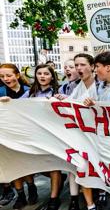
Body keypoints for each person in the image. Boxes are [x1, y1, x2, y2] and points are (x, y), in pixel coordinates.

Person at [55, 54, 98, 210]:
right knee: (78, 166)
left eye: (82, 65)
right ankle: (86, 203)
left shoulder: (100, 85)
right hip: (80, 136)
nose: (79, 68)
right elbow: (71, 104)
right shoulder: (78, 86)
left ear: (92, 67)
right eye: (76, 65)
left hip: (97, 137)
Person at [82, 51, 110, 210]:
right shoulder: (97, 86)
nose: (95, 70)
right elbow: (80, 101)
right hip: (96, 137)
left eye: (97, 66)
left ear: (108, 68)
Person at [19, 64, 65, 210]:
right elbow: (16, 105)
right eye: (39, 73)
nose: (42, 76)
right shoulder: (31, 93)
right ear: (36, 75)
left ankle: (53, 198)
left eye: (46, 73)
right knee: (34, 165)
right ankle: (53, 182)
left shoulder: (59, 91)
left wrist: (62, 100)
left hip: (52, 135)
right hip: (34, 136)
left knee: (54, 166)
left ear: (52, 76)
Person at [0, 64, 36, 209]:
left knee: (25, 164)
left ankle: (32, 188)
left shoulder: (29, 91)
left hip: (24, 134)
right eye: (2, 76)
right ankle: (20, 195)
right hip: (6, 135)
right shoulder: (0, 91)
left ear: (17, 75)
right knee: (13, 165)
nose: (5, 79)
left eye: (8, 75)